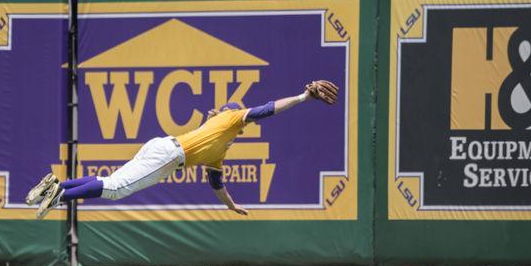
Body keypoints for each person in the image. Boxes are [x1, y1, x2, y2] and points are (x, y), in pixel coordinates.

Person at [27, 80, 339, 218]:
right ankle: (62, 196)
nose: (243, 116)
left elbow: (217, 184)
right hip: (169, 154)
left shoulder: (220, 148)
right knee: (115, 189)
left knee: (111, 183)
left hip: (163, 146)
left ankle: (58, 185)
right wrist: (301, 98)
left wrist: (231, 206)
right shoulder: (229, 119)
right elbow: (268, 109)